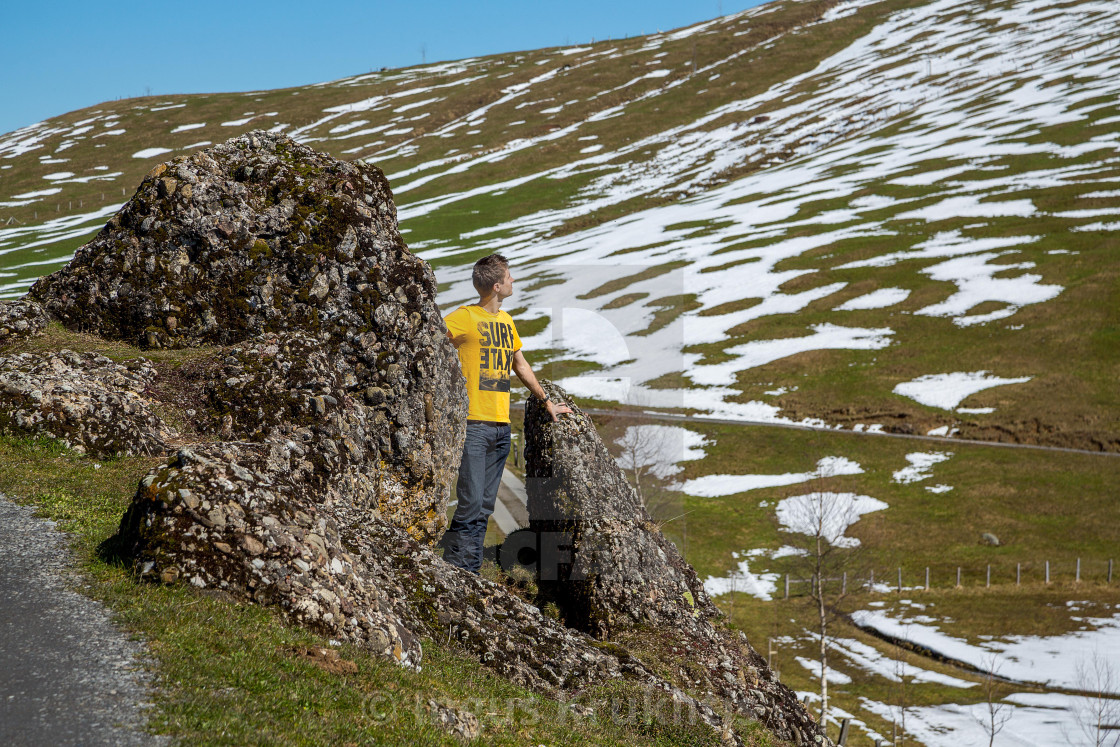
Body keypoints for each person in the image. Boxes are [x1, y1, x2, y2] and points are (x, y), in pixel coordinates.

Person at [441, 254, 571, 573]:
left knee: (484, 506)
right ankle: (460, 573)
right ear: (497, 286)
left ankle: (462, 570)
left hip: (500, 428)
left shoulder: (507, 322)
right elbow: (427, 344)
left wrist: (545, 401)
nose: (514, 281)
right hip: (472, 425)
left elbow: (520, 365)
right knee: (470, 505)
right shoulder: (464, 317)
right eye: (510, 277)